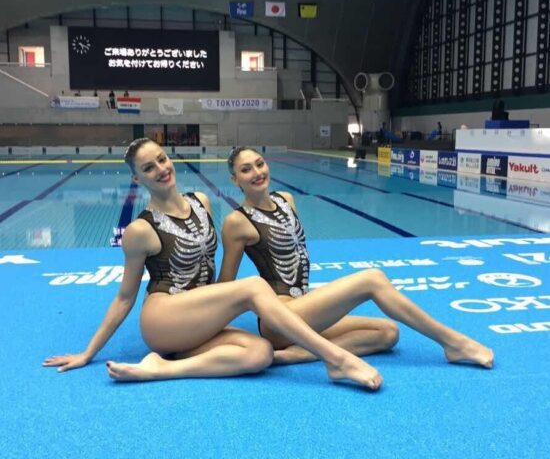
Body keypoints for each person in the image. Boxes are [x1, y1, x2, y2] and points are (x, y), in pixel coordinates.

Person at [43, 138, 382, 389]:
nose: (161, 169)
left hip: (197, 318)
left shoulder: (201, 201)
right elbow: (124, 298)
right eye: (148, 168)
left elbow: (216, 282)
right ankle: (336, 359)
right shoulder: (139, 230)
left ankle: (162, 368)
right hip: (164, 318)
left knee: (260, 353)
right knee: (253, 287)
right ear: (137, 179)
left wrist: (226, 304)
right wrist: (88, 353)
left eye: (162, 159)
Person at [219, 147, 494, 370]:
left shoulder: (286, 199)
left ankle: (297, 354)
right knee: (372, 279)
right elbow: (226, 287)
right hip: (278, 319)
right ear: (235, 180)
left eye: (259, 164)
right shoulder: (236, 222)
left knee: (388, 333)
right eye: (246, 169)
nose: (257, 172)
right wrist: (211, 331)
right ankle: (453, 342)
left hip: (304, 306)